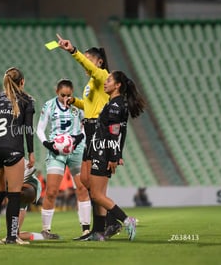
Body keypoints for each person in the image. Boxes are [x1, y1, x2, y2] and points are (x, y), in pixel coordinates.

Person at [57, 34, 122, 240]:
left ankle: (101, 228)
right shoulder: (91, 85)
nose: (85, 62)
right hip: (90, 130)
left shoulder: (102, 75)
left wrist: (73, 50)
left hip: (99, 132)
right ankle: (109, 222)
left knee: (94, 186)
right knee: (85, 181)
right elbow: (89, 107)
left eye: (88, 58)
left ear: (99, 61)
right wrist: (74, 101)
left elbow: (91, 68)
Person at [88, 70, 145, 241]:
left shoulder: (114, 106)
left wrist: (113, 157)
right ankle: (106, 228)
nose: (105, 83)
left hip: (103, 151)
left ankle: (127, 220)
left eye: (109, 81)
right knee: (99, 194)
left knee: (97, 195)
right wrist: (117, 153)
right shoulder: (119, 103)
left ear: (118, 85)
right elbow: (122, 132)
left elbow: (114, 132)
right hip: (106, 151)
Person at [0, 67, 35, 244]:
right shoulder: (27, 99)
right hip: (12, 148)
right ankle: (12, 236)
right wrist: (31, 152)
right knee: (14, 194)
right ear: (22, 82)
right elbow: (28, 130)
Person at [37, 79, 90, 240]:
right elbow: (39, 129)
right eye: (62, 95)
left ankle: (86, 229)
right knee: (52, 191)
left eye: (69, 95)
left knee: (82, 188)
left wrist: (80, 138)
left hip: (76, 150)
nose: (66, 98)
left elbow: (87, 124)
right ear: (56, 92)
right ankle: (46, 230)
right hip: (56, 151)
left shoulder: (77, 105)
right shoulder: (49, 105)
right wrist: (48, 144)